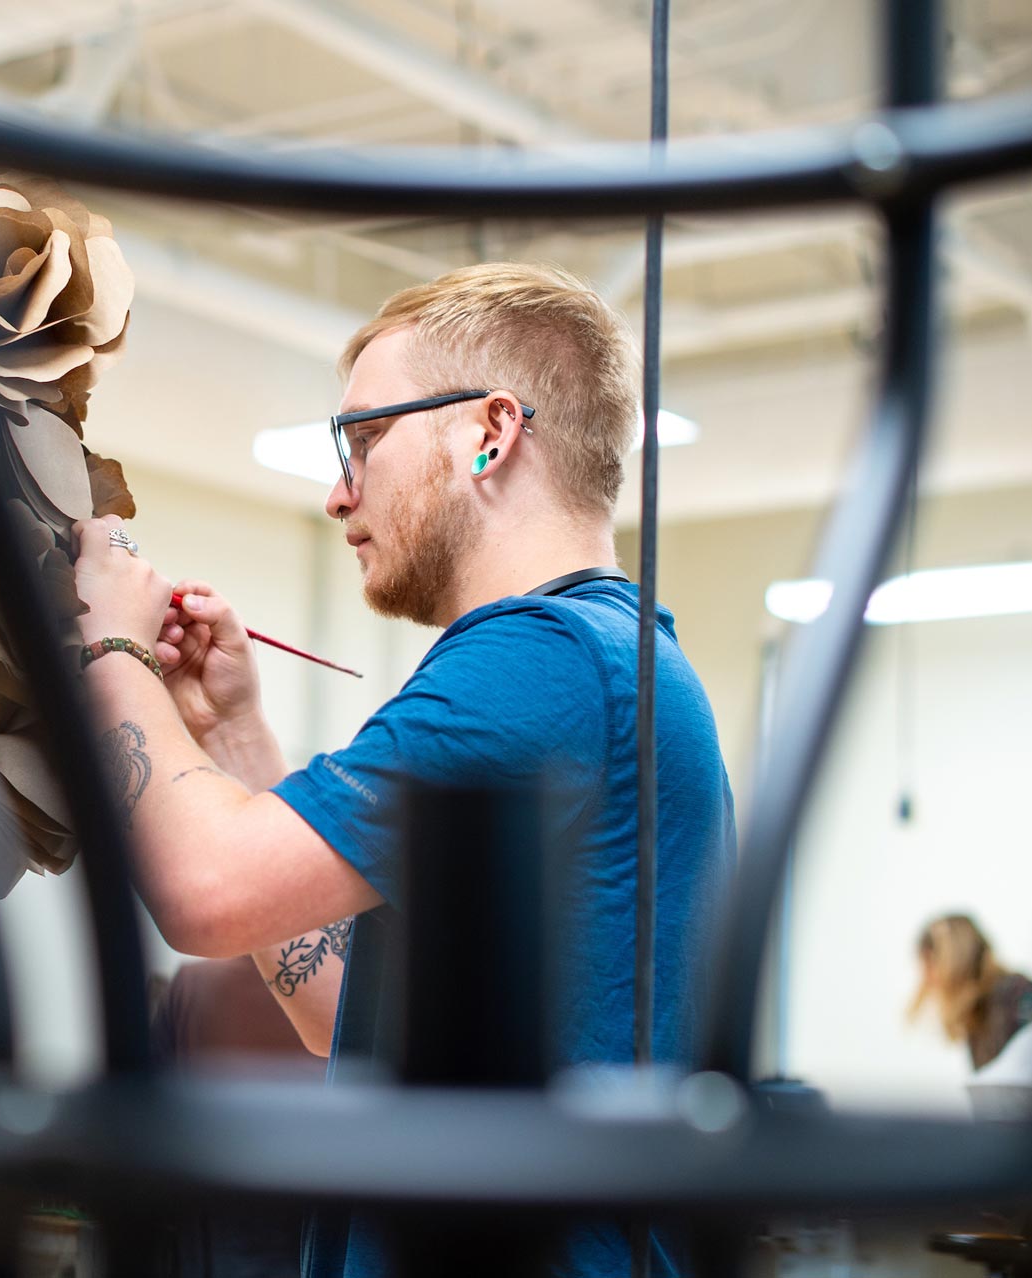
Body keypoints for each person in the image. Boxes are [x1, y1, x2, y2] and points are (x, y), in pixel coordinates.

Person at [71, 262, 736, 1277]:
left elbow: (204, 893)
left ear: (489, 431)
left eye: (365, 440)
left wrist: (105, 652)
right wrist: (233, 738)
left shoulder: (546, 660)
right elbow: (353, 1021)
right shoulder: (607, 658)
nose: (340, 493)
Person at [909, 914, 1032, 1070]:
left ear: (953, 963)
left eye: (929, 965)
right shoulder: (977, 1016)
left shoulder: (1021, 1000)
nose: (927, 979)